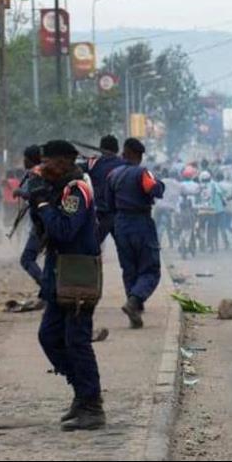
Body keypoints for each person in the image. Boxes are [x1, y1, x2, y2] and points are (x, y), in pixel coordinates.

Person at [28, 139, 104, 431]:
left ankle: (92, 406)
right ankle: (81, 392)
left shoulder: (76, 190)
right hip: (58, 273)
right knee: (49, 337)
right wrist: (38, 199)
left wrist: (44, 203)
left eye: (46, 162)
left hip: (77, 274)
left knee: (77, 342)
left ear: (61, 162)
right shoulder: (60, 187)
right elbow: (45, 229)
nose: (41, 168)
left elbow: (64, 230)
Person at [104, 138, 165, 329]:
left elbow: (108, 203)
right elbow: (155, 190)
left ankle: (134, 312)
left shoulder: (113, 175)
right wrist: (159, 182)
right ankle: (134, 301)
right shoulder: (142, 173)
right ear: (136, 155)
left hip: (121, 224)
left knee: (129, 269)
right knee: (150, 270)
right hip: (141, 222)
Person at [81, 135, 127, 245]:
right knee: (124, 248)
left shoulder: (93, 163)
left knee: (93, 246)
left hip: (101, 213)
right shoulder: (123, 163)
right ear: (116, 149)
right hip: (119, 212)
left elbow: (75, 169)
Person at [15, 145, 44, 288]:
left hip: (41, 224)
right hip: (47, 222)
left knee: (26, 259)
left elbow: (33, 195)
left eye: (24, 158)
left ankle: (47, 287)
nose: (23, 161)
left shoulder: (35, 174)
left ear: (29, 159)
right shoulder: (47, 172)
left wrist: (19, 192)